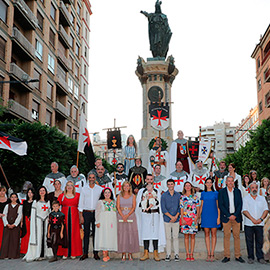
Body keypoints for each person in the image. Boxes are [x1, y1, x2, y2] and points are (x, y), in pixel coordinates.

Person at [136, 174, 166, 261]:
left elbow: (159, 203)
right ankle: (146, 253)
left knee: (154, 233)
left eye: (151, 179)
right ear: (145, 180)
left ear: (153, 180)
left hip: (154, 215)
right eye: (148, 179)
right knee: (146, 233)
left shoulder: (157, 191)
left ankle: (156, 253)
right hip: (145, 215)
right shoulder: (141, 191)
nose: (149, 181)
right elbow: (138, 204)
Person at [218, 176, 244, 263]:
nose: (230, 182)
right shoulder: (221, 192)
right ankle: (227, 256)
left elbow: (240, 204)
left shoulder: (237, 191)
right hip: (226, 217)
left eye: (231, 181)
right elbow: (221, 205)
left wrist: (235, 215)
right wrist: (229, 215)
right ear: (226, 182)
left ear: (233, 182)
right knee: (227, 236)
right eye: (228, 181)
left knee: (237, 236)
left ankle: (238, 256)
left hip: (236, 217)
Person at [23, 186, 53, 262]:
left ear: (46, 192)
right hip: (38, 222)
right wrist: (34, 223)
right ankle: (37, 254)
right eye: (40, 191)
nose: (42, 192)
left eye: (43, 190)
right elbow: (33, 214)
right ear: (38, 192)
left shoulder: (48, 202)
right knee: (38, 237)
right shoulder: (35, 202)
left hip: (46, 222)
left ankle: (45, 253)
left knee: (45, 236)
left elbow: (49, 213)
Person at [242, 181, 268, 264]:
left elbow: (266, 210)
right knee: (249, 241)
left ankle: (260, 257)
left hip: (260, 223)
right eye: (252, 188)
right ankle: (250, 257)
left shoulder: (262, 198)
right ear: (249, 189)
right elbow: (245, 211)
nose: (254, 189)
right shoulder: (246, 198)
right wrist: (253, 219)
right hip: (249, 223)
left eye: (256, 188)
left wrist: (260, 219)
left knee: (259, 241)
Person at [78, 173, 103, 261]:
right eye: (90, 178)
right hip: (86, 213)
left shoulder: (99, 189)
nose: (91, 179)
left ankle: (95, 253)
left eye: (93, 177)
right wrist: (81, 216)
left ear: (95, 178)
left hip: (96, 213)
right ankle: (85, 253)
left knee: (96, 233)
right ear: (88, 178)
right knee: (86, 234)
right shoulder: (84, 189)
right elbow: (81, 202)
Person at [58, 181, 82, 259]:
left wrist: (81, 217)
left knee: (74, 233)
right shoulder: (62, 196)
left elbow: (81, 206)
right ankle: (65, 253)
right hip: (64, 216)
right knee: (65, 233)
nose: (69, 187)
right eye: (68, 185)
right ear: (65, 187)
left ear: (73, 187)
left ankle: (74, 252)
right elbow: (57, 206)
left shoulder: (78, 195)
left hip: (75, 217)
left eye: (71, 185)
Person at [116, 181, 139, 261]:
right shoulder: (119, 196)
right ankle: (123, 253)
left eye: (127, 186)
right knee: (122, 234)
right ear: (122, 187)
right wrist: (123, 216)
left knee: (130, 234)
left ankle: (130, 253)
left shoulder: (133, 196)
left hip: (130, 215)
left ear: (130, 187)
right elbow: (118, 207)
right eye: (124, 186)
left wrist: (127, 215)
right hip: (121, 215)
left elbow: (134, 207)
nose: (126, 187)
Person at [199, 178, 220, 262]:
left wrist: (218, 217)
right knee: (206, 234)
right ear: (205, 184)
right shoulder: (203, 193)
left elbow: (218, 206)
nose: (209, 184)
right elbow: (201, 206)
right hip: (205, 215)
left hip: (214, 215)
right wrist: (198, 216)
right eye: (207, 182)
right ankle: (208, 254)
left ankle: (212, 253)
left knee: (214, 234)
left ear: (212, 184)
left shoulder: (216, 193)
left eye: (210, 182)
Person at [95, 188, 118, 262]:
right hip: (103, 221)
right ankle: (104, 253)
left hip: (112, 222)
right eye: (106, 193)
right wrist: (97, 221)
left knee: (110, 236)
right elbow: (97, 212)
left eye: (109, 192)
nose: (107, 194)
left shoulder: (114, 202)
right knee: (104, 235)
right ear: (103, 194)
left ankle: (107, 253)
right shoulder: (100, 202)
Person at [161, 179, 181, 262]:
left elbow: (180, 207)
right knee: (168, 237)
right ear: (167, 185)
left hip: (176, 219)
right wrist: (171, 217)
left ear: (174, 185)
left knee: (175, 237)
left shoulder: (178, 195)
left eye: (171, 184)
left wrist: (175, 216)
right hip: (167, 219)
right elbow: (163, 208)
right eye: (168, 184)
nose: (170, 186)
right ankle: (168, 254)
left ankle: (176, 254)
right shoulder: (164, 195)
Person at [180, 181, 200, 262]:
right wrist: (182, 218)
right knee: (186, 236)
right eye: (186, 186)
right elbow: (181, 208)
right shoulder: (182, 197)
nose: (188, 187)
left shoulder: (195, 197)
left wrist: (197, 218)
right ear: (184, 187)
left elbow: (198, 209)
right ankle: (187, 253)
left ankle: (191, 253)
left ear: (191, 187)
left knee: (192, 236)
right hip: (185, 218)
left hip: (193, 219)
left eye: (189, 185)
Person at [0, 193, 22, 259]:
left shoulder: (19, 206)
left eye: (15, 197)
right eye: (12, 197)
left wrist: (14, 224)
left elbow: (19, 216)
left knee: (14, 240)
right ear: (10, 198)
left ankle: (13, 255)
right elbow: (4, 215)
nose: (13, 198)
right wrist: (6, 224)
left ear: (17, 198)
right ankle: (5, 255)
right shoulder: (7, 206)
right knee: (6, 240)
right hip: (7, 225)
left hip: (15, 226)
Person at [20, 188, 35, 255]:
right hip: (26, 220)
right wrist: (21, 221)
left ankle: (31, 250)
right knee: (25, 234)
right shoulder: (24, 202)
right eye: (28, 192)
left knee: (31, 234)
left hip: (32, 220)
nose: (30, 194)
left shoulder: (35, 202)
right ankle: (24, 250)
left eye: (31, 192)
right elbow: (22, 212)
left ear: (33, 194)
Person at [0, 186, 9, 251]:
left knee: (5, 235)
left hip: (6, 220)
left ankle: (5, 250)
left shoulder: (8, 200)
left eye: (3, 191)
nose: (1, 192)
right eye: (0, 191)